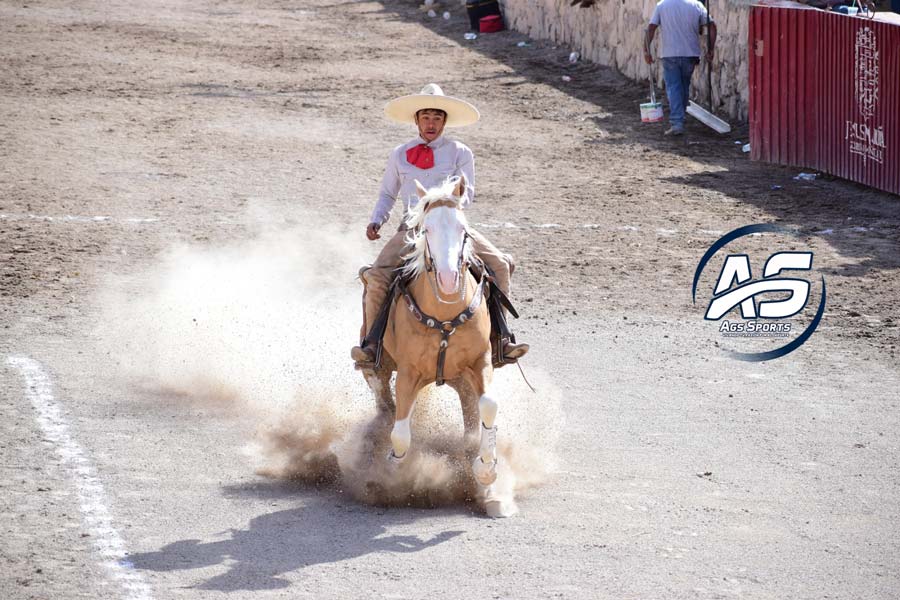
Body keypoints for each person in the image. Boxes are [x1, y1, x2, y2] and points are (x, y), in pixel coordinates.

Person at [351, 83, 529, 366]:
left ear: (444, 121)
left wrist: (445, 204)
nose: (431, 124)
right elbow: (388, 193)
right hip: (412, 229)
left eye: (436, 118)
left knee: (500, 265)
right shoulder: (399, 154)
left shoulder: (460, 152)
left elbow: (467, 195)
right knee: (377, 277)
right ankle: (372, 346)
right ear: (416, 120)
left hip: (452, 227)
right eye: (425, 117)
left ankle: (501, 340)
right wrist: (377, 219)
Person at [643, 0, 717, 136]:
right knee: (683, 86)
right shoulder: (696, 5)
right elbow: (712, 26)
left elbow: (651, 28)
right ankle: (679, 119)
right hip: (690, 53)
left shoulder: (662, 5)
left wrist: (646, 51)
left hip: (670, 54)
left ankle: (677, 123)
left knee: (674, 88)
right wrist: (711, 49)